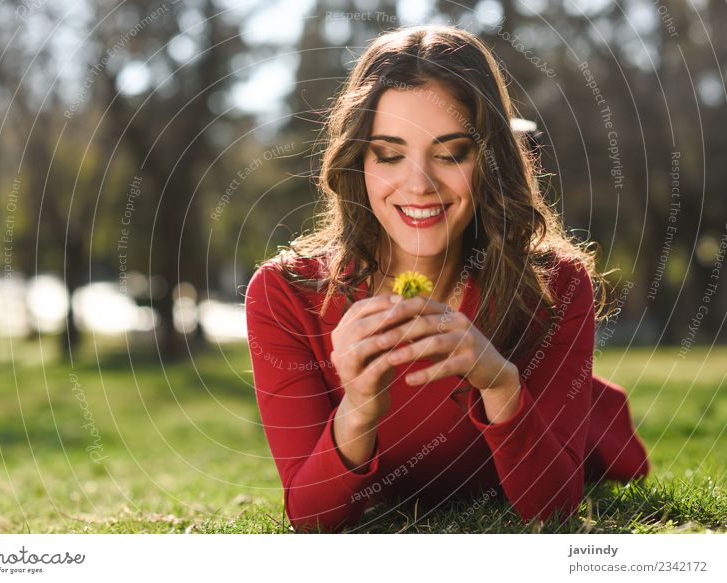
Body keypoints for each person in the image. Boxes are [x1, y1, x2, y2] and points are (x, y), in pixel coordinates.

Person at [244, 25, 649, 533]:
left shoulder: (554, 286)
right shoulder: (285, 294)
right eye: (389, 154)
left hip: (587, 436)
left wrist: (500, 384)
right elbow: (311, 519)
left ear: (489, 159)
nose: (419, 184)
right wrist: (359, 407)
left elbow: (553, 512)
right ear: (358, 161)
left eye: (451, 153)